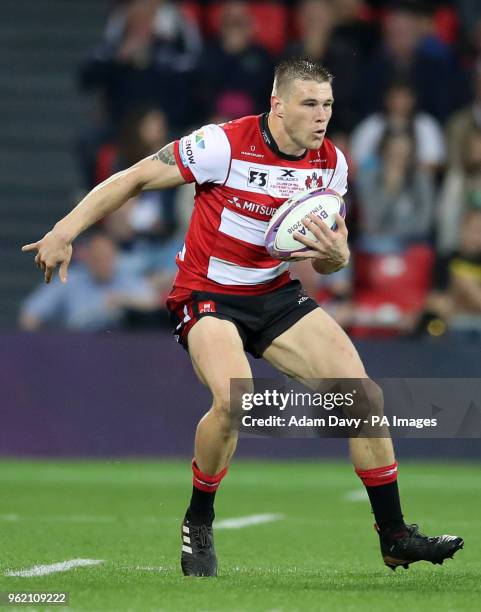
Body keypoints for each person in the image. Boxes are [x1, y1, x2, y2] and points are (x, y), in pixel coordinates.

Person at [22, 58, 463, 577]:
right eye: (309, 104)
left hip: (273, 292)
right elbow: (136, 176)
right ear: (277, 105)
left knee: (363, 396)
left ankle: (394, 537)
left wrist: (336, 259)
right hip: (206, 294)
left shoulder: (332, 165)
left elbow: (324, 254)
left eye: (327, 105)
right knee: (236, 397)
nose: (321, 116)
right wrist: (64, 231)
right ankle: (199, 519)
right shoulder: (223, 145)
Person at [19, 231, 158, 331]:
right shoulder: (70, 280)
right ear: (88, 259)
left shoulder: (128, 280)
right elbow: (30, 314)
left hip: (122, 350)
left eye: (107, 258)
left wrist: (123, 301)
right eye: (98, 258)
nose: (103, 263)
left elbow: (152, 304)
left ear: (115, 258)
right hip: (78, 351)